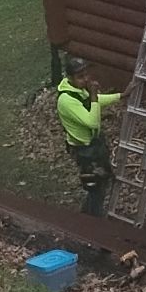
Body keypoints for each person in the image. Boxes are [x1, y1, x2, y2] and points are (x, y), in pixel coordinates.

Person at [55, 56, 121, 216]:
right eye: (80, 77)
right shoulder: (66, 100)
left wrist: (121, 96)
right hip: (84, 150)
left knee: (101, 182)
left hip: (93, 145)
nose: (85, 79)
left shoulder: (78, 90)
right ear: (69, 78)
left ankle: (85, 216)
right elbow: (92, 122)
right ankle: (95, 223)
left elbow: (94, 101)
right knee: (95, 186)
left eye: (86, 75)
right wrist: (93, 95)